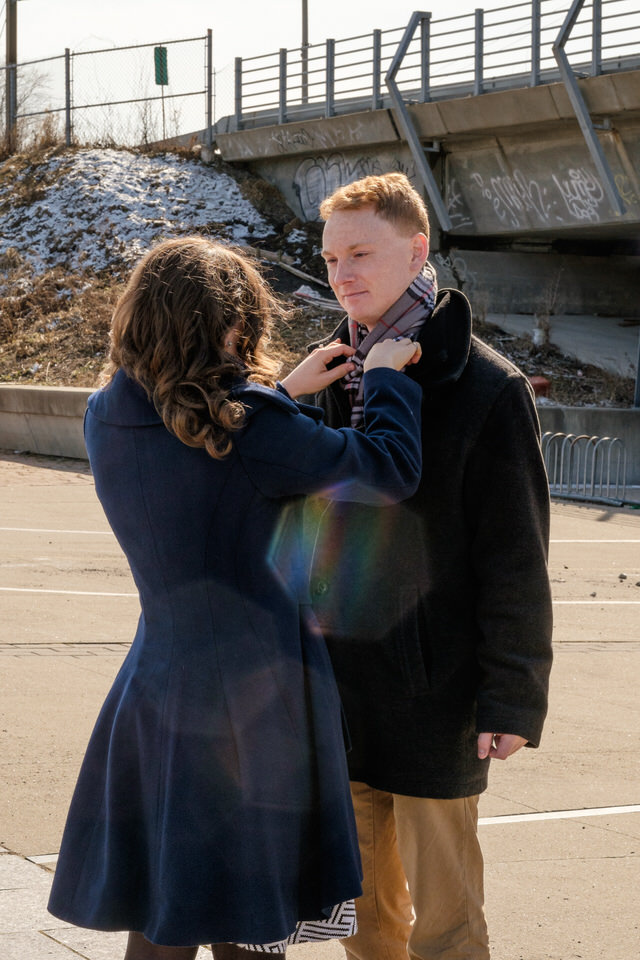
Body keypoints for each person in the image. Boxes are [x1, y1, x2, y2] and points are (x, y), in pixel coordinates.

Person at [47, 236, 424, 960]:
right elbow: (387, 470)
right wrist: (385, 378)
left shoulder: (107, 415)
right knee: (250, 928)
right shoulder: (254, 426)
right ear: (230, 325)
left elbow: (201, 458)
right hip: (257, 706)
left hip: (156, 688)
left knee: (164, 914)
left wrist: (284, 395)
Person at [302, 173, 553, 960]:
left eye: (362, 254)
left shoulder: (485, 386)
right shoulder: (328, 376)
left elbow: (515, 554)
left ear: (416, 252)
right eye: (332, 256)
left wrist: (514, 692)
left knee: (446, 925)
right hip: (337, 691)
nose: (343, 274)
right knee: (362, 922)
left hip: (434, 695)